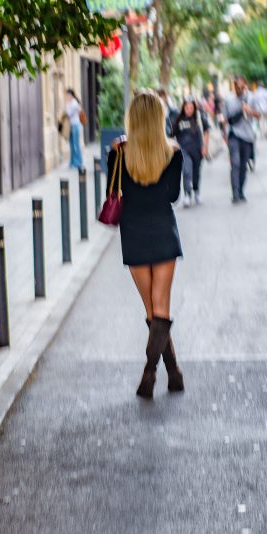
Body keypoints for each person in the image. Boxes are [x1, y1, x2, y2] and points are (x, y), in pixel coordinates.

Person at [107, 91, 184, 399]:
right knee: (160, 309)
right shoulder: (173, 153)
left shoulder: (119, 154)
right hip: (163, 230)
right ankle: (167, 373)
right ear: (159, 119)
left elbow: (114, 191)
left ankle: (156, 373)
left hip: (134, 232)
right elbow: (173, 196)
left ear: (133, 119)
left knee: (152, 313)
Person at [223, 77, 259, 204]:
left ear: (245, 86)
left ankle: (241, 191)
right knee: (236, 163)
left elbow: (259, 115)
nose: (239, 89)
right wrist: (224, 136)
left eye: (242, 86)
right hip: (234, 135)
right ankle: (235, 193)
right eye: (237, 86)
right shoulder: (228, 99)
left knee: (243, 165)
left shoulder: (251, 98)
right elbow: (225, 119)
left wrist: (250, 111)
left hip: (248, 136)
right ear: (234, 86)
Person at [172, 96, 209, 206]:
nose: (189, 109)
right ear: (183, 108)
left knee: (196, 173)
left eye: (191, 107)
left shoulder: (199, 118)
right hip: (184, 150)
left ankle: (196, 191)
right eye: (187, 107)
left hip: (197, 150)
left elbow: (207, 131)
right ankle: (187, 195)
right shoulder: (179, 120)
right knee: (187, 171)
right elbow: (171, 134)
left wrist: (205, 146)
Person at [64, 88, 84, 170]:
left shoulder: (74, 103)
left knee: (76, 144)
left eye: (68, 95)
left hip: (75, 126)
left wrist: (67, 106)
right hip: (71, 126)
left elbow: (69, 114)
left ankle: (79, 163)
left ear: (72, 95)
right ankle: (72, 162)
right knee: (71, 144)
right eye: (67, 95)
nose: (67, 96)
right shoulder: (69, 103)